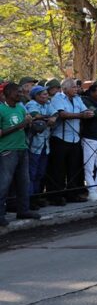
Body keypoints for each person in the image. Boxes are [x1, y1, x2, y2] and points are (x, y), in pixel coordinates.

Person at [0, 82, 40, 226]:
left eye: (21, 92)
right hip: (7, 151)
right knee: (4, 184)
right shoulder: (1, 109)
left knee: (24, 182)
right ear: (8, 94)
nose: (21, 94)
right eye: (17, 92)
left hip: (22, 148)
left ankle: (23, 210)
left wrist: (30, 123)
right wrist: (20, 125)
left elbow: (26, 123)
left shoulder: (20, 108)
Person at [49, 78, 93, 205]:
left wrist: (89, 112)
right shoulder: (58, 98)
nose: (76, 89)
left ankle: (72, 194)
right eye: (73, 87)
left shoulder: (77, 98)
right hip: (60, 138)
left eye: (76, 87)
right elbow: (62, 114)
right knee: (59, 169)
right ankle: (56, 196)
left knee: (73, 168)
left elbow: (84, 110)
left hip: (75, 137)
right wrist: (81, 116)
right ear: (65, 89)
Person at [25, 86, 56, 209]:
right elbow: (35, 115)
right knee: (31, 173)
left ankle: (37, 197)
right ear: (36, 96)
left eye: (46, 94)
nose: (45, 96)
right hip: (33, 145)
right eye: (42, 94)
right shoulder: (31, 104)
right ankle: (30, 199)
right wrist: (48, 118)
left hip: (45, 144)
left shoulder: (48, 103)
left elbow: (54, 113)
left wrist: (52, 117)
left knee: (40, 173)